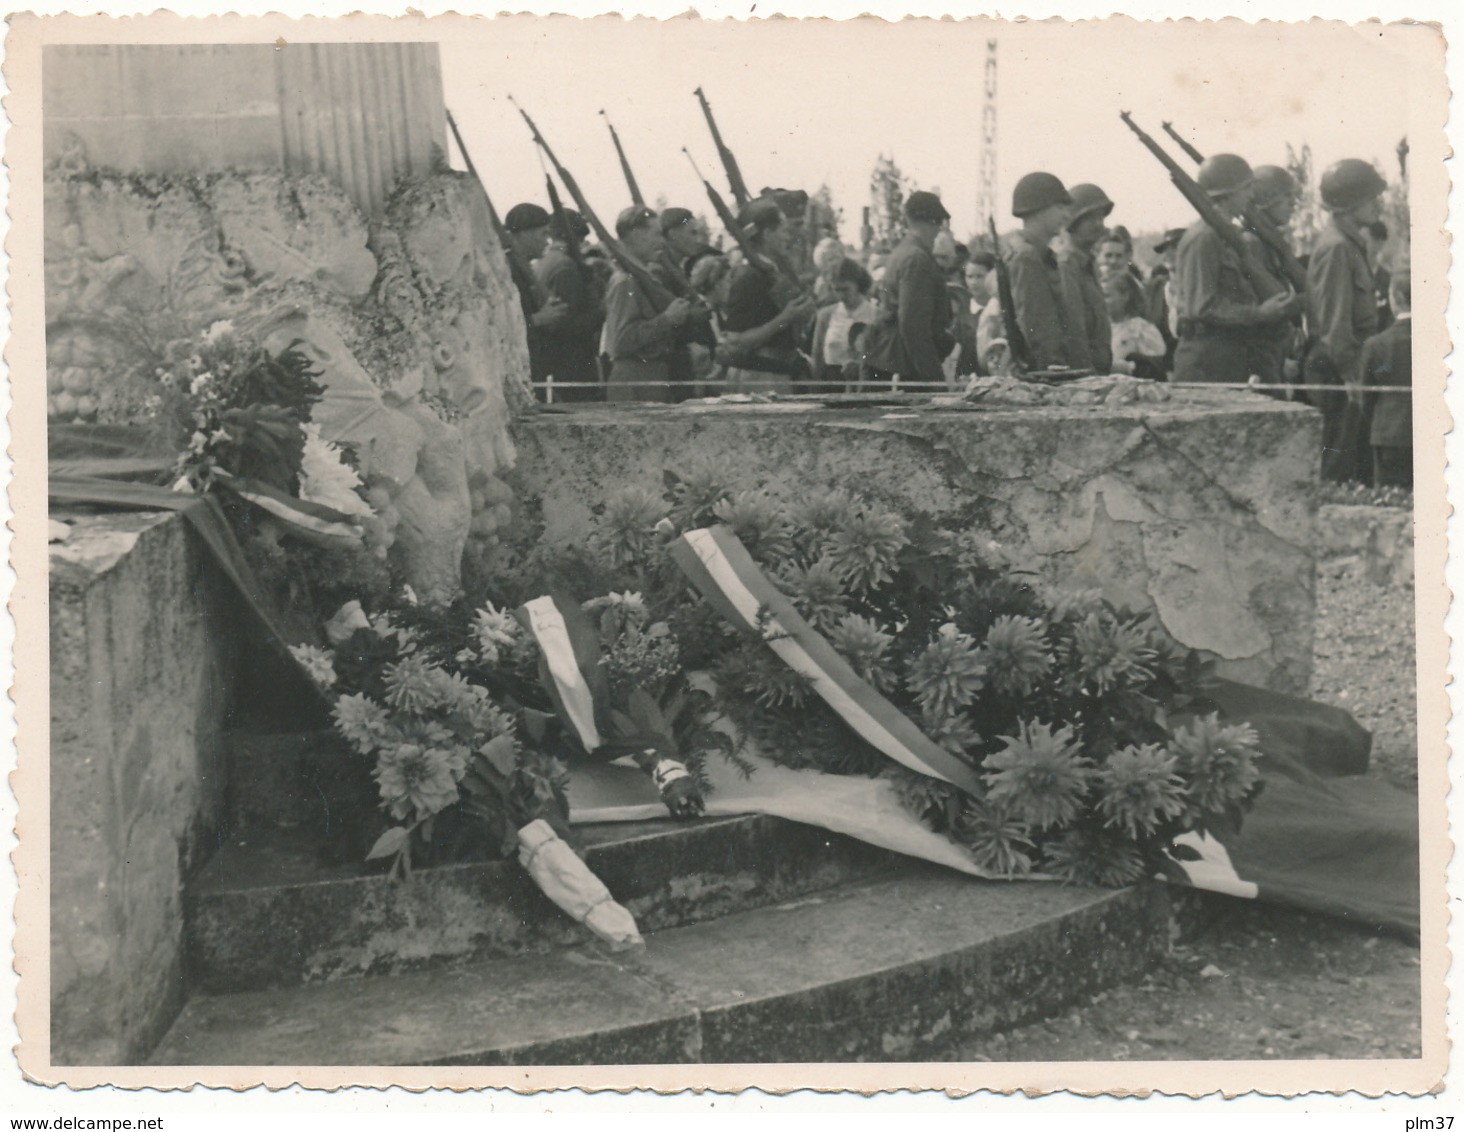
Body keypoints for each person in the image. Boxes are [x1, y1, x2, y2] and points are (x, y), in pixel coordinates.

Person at [1172, 154, 1295, 385]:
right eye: (1247, 188)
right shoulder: (1204, 237)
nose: (1251, 195)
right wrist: (1259, 313)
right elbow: (1201, 306)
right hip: (1204, 361)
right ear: (1229, 193)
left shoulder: (1225, 235)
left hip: (1225, 357)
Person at [1305, 157, 1388, 483]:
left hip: (1346, 368)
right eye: (1371, 198)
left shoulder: (1349, 244)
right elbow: (1334, 324)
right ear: (1349, 204)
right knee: (1336, 468)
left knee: (1350, 464)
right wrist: (1353, 378)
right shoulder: (1337, 248)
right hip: (1338, 372)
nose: (1378, 204)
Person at [718, 199, 817, 392]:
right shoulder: (748, 277)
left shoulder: (771, 273)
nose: (788, 238)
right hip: (758, 379)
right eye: (783, 231)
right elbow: (735, 340)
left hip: (776, 375)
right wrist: (785, 318)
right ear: (767, 234)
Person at [601, 205, 694, 402]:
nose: (662, 241)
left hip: (648, 376)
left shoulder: (641, 277)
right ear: (635, 234)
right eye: (656, 234)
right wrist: (667, 319)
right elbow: (620, 342)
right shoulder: (625, 281)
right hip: (634, 380)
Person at [864, 190, 956, 388]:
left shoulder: (903, 252)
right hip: (904, 364)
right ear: (933, 222)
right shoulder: (917, 259)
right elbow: (913, 326)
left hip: (892, 358)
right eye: (937, 223)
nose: (939, 230)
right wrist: (934, 379)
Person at [1004, 171, 1079, 371]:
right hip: (1042, 375)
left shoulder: (1037, 254)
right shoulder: (1027, 257)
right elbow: (1039, 330)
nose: (1066, 215)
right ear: (1038, 209)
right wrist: (1055, 369)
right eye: (1060, 207)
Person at [531, 207, 603, 402]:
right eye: (580, 239)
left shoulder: (545, 262)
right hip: (572, 364)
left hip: (556, 363)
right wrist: (602, 312)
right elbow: (566, 324)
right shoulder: (566, 267)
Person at [503, 203, 570, 387]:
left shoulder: (523, 268)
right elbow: (499, 325)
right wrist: (537, 320)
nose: (547, 241)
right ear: (524, 233)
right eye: (543, 233)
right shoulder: (505, 270)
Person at [1361, 270, 1412, 489]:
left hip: (1389, 432)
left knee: (1391, 500)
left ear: (1396, 299)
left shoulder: (1376, 345)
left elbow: (1367, 398)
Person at [1058, 183, 1115, 372]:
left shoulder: (1088, 264)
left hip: (1097, 369)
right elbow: (1074, 331)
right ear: (1072, 223)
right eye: (1090, 218)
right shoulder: (1067, 265)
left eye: (1101, 217)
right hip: (1083, 373)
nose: (1099, 224)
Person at [810, 257, 878, 390]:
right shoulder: (825, 315)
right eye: (837, 290)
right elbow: (817, 358)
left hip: (864, 383)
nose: (841, 295)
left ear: (858, 284)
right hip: (831, 383)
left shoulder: (875, 314)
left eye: (845, 289)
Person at [1101, 271, 1167, 380]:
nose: (1101, 301)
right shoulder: (1101, 329)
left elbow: (1156, 368)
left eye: (1107, 296)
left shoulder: (1141, 329)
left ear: (1125, 296)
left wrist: (1129, 367)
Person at [1145, 227, 1186, 373]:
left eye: (1175, 247)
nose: (1168, 254)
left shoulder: (1197, 289)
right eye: (1164, 249)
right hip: (1160, 371)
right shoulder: (1156, 290)